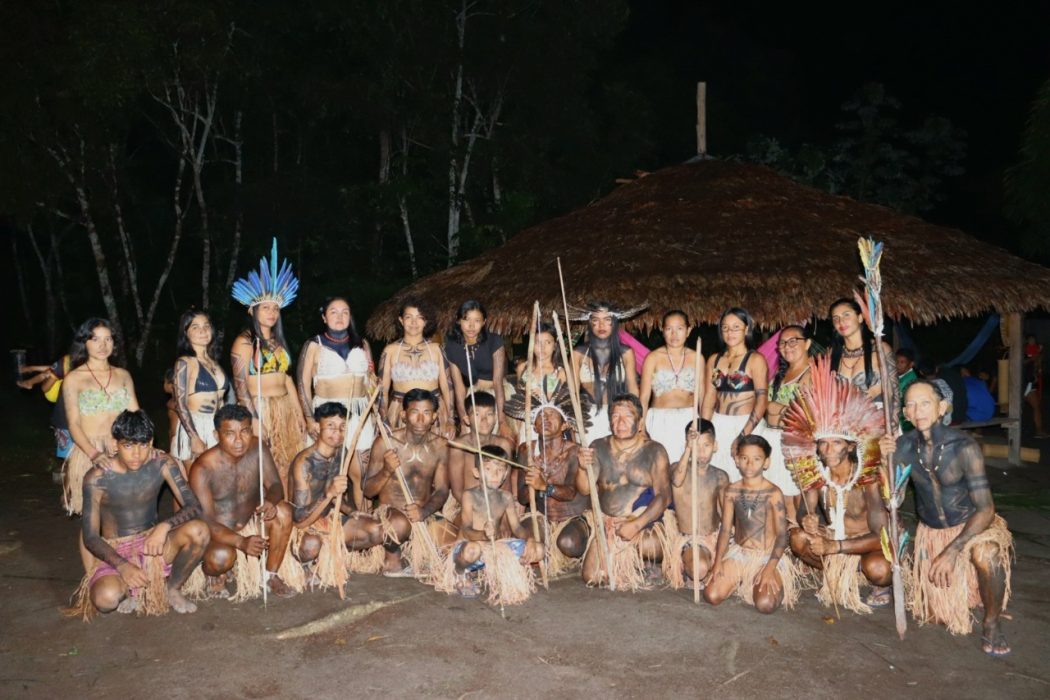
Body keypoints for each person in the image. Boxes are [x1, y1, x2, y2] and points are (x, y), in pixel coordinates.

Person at [882, 381, 1014, 656]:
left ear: (942, 407)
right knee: (936, 617)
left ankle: (992, 622)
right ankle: (969, 592)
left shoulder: (964, 447)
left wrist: (953, 550)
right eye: (911, 404)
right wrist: (885, 464)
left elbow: (986, 509)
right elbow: (893, 501)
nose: (918, 410)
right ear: (905, 413)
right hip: (932, 533)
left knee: (987, 553)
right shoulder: (902, 447)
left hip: (972, 527)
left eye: (926, 403)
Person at [68, 410, 209, 619]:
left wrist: (164, 526)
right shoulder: (96, 478)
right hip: (116, 550)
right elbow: (90, 537)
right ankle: (130, 590)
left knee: (199, 530)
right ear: (115, 444)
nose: (136, 454)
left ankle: (172, 589)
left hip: (153, 543)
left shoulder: (162, 463)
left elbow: (194, 506)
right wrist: (123, 566)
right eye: (128, 446)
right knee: (105, 600)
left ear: (150, 442)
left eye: (142, 445)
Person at [782, 356, 892, 613]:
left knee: (879, 570)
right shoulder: (817, 474)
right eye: (822, 443)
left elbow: (881, 537)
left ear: (851, 446)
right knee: (797, 538)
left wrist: (836, 546)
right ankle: (839, 573)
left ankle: (870, 579)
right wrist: (807, 522)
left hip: (865, 544)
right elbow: (803, 513)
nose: (827, 449)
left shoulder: (868, 478)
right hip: (834, 538)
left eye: (836, 443)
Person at [187, 405, 301, 600]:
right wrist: (240, 541)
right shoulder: (202, 468)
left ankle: (269, 575)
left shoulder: (257, 447)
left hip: (252, 522)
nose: (239, 440)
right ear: (216, 435)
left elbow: (275, 485)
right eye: (230, 433)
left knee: (283, 511)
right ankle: (215, 572)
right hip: (220, 533)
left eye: (245, 431)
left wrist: (271, 502)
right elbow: (206, 522)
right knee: (220, 558)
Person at [230, 240, 307, 493]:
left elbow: (286, 379)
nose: (272, 313)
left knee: (289, 462)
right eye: (266, 308)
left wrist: (298, 413)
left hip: (284, 407)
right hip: (260, 408)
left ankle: (289, 512)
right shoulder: (243, 342)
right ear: (253, 310)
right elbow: (240, 388)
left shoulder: (278, 342)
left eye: (275, 308)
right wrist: (254, 419)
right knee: (265, 466)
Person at [576, 394, 670, 591]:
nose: (620, 422)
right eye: (615, 416)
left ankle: (648, 564)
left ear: (640, 421)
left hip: (641, 522)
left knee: (650, 545)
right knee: (591, 577)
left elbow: (664, 495)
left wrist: (636, 524)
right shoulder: (598, 447)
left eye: (627, 416)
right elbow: (585, 488)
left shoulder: (655, 450)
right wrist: (583, 467)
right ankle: (618, 558)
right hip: (607, 521)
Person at [291, 402, 387, 583]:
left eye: (342, 427)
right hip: (305, 528)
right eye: (330, 426)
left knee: (376, 530)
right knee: (312, 545)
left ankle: (331, 555)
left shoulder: (341, 454)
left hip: (330, 520)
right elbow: (299, 519)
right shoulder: (304, 463)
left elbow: (335, 497)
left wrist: (351, 511)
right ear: (318, 427)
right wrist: (328, 494)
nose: (337, 432)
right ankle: (303, 562)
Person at [704, 435, 799, 613]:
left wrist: (770, 568)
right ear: (737, 460)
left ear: (766, 462)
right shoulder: (732, 491)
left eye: (756, 459)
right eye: (744, 458)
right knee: (712, 595)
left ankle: (759, 579)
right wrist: (717, 563)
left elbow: (782, 535)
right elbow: (725, 530)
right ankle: (741, 579)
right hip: (740, 554)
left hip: (767, 556)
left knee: (765, 604)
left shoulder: (773, 493)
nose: (749, 464)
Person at [296, 296, 376, 507]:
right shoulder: (314, 345)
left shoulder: (362, 344)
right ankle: (322, 519)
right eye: (333, 312)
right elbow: (303, 383)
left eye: (345, 312)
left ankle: (362, 519)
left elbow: (371, 381)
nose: (340, 317)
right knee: (325, 471)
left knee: (361, 471)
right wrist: (309, 418)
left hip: (359, 413)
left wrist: (376, 412)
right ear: (324, 317)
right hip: (327, 414)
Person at [364, 388, 452, 577]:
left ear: (435, 416)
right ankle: (392, 558)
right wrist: (387, 470)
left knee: (455, 545)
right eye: (414, 412)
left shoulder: (441, 446)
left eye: (426, 413)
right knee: (399, 523)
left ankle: (418, 552)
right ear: (404, 415)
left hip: (424, 516)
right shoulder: (385, 443)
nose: (421, 419)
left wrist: (424, 511)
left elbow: (443, 490)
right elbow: (368, 491)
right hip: (390, 518)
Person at [438, 446, 543, 604]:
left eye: (500, 469)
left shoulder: (506, 497)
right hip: (470, 547)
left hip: (494, 548)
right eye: (488, 468)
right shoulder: (469, 495)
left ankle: (500, 570)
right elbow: (466, 530)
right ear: (477, 473)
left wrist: (530, 540)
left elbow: (517, 528)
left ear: (505, 473)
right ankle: (460, 571)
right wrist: (483, 535)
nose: (494, 474)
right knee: (473, 549)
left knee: (539, 549)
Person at [61, 319, 139, 515]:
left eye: (108, 339)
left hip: (122, 448)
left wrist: (131, 443)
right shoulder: (73, 379)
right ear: (84, 342)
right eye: (95, 339)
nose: (103, 345)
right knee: (93, 519)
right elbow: (74, 424)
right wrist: (94, 454)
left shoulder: (123, 375)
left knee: (124, 515)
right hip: (89, 451)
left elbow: (136, 417)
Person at [512, 384, 590, 575]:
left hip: (570, 518)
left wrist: (543, 486)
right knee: (527, 541)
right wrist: (532, 484)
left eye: (552, 415)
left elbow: (571, 493)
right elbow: (522, 498)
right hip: (541, 518)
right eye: (541, 416)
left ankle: (577, 551)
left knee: (568, 543)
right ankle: (544, 552)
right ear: (534, 425)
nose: (545, 419)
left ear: (564, 424)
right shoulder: (526, 451)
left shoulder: (575, 452)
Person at [701, 308, 768, 482]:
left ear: (746, 329)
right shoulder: (714, 360)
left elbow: (762, 399)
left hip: (746, 424)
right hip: (719, 422)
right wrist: (704, 429)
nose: (730, 332)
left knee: (746, 478)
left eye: (736, 327)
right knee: (718, 477)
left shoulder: (756, 360)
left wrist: (743, 435)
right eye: (725, 328)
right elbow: (709, 396)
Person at [662, 419, 729, 589]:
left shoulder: (720, 476)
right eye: (696, 446)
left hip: (711, 537)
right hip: (688, 537)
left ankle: (705, 562)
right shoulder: (677, 467)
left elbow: (724, 513)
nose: (701, 451)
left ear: (715, 446)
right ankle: (688, 564)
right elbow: (677, 480)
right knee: (700, 569)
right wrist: (687, 450)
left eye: (706, 445)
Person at [755, 324, 812, 514]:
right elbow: (765, 407)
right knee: (772, 497)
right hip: (770, 438)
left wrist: (772, 406)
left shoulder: (811, 373)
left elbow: (801, 413)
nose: (787, 346)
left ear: (808, 343)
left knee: (790, 499)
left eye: (793, 341)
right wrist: (779, 409)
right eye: (782, 343)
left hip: (791, 441)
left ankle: (793, 539)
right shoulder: (780, 374)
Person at [377, 299, 454, 437]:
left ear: (426, 321)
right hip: (401, 412)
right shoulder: (390, 351)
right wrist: (384, 419)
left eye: (420, 318)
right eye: (409, 317)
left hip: (433, 411)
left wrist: (450, 418)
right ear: (401, 320)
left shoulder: (436, 349)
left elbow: (447, 387)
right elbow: (382, 390)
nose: (414, 322)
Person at [570, 301, 642, 443]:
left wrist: (635, 416)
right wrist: (574, 420)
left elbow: (633, 389)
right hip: (587, 417)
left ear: (614, 323)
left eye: (607, 320)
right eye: (596, 320)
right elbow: (572, 393)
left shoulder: (626, 353)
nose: (601, 325)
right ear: (590, 323)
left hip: (618, 417)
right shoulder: (578, 353)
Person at [639, 310, 701, 463]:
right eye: (669, 329)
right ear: (662, 330)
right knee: (659, 467)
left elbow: (703, 396)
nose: (674, 335)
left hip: (689, 419)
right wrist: (641, 426)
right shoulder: (652, 358)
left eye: (679, 328)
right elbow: (644, 396)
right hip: (660, 420)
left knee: (688, 468)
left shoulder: (696, 357)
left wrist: (702, 424)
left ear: (688, 330)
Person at [447, 392, 515, 523]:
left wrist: (503, 516)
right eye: (477, 414)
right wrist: (480, 512)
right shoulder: (460, 446)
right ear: (467, 419)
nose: (484, 420)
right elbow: (457, 490)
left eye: (489, 414)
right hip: (465, 504)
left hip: (497, 503)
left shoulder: (503, 444)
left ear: (495, 417)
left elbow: (506, 485)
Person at [172, 310, 229, 465]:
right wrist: (194, 438)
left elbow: (222, 401)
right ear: (186, 333)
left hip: (217, 427)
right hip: (195, 426)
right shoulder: (185, 363)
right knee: (199, 486)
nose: (203, 330)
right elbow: (180, 403)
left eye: (206, 325)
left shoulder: (214, 362)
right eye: (195, 327)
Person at [444, 300, 508, 430]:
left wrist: (502, 421)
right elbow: (459, 387)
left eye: (477, 321)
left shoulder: (494, 341)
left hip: (497, 394)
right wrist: (463, 418)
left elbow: (497, 382)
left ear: (484, 322)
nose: (471, 326)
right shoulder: (452, 347)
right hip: (473, 395)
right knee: (469, 436)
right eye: (466, 319)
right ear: (458, 321)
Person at [829, 298, 896, 408]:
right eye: (836, 318)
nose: (841, 322)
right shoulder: (832, 354)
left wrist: (893, 424)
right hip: (844, 422)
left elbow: (894, 393)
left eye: (846, 315)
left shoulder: (880, 349)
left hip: (878, 420)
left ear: (860, 318)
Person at [1023, 335, 1045, 437]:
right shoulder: (1021, 350)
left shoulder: (1036, 350)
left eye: (1033, 339)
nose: (1032, 341)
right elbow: (1021, 362)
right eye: (1030, 339)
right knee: (1013, 407)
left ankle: (1038, 431)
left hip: (1029, 381)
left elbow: (1037, 365)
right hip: (1020, 382)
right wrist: (1033, 358)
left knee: (1036, 406)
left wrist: (1037, 371)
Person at [896, 348, 918, 431]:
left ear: (911, 364)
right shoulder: (901, 377)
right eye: (896, 361)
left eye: (902, 362)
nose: (898, 365)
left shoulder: (911, 381)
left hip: (906, 424)